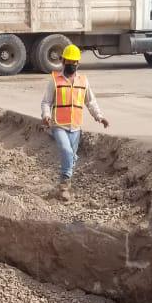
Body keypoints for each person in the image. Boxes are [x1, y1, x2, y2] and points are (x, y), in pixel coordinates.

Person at [40, 45, 109, 200]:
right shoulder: (54, 81)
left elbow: (90, 102)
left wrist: (99, 116)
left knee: (72, 156)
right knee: (66, 151)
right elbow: (46, 102)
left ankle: (64, 182)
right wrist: (45, 115)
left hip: (76, 126)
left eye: (74, 62)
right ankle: (64, 186)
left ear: (78, 63)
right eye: (69, 61)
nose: (71, 65)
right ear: (62, 61)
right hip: (58, 125)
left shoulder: (83, 81)